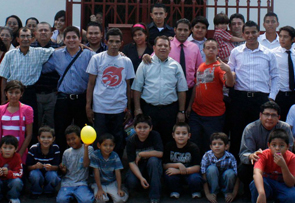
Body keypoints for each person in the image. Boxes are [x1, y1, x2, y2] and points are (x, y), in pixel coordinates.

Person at [228, 20, 279, 157]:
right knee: (237, 132)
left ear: (259, 33)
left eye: (253, 32)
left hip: (260, 99)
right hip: (240, 98)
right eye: (247, 33)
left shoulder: (268, 53)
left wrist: (271, 98)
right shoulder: (235, 52)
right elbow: (230, 72)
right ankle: (237, 167)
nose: (250, 35)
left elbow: (275, 76)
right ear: (243, 34)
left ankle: (260, 165)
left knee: (260, 133)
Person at [0, 27, 55, 137]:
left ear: (32, 39)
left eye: (28, 36)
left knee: (31, 123)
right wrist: (3, 99)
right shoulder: (10, 54)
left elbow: (58, 50)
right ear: (17, 39)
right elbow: (3, 78)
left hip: (30, 92)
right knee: (14, 121)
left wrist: (82, 46)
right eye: (22, 36)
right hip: (13, 92)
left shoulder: (39, 53)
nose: (25, 39)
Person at [86, 28, 135, 157]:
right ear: (106, 41)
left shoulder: (126, 61)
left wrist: (129, 108)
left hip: (119, 108)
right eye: (111, 41)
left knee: (118, 140)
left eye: (117, 41)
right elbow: (90, 84)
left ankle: (115, 169)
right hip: (100, 107)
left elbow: (128, 86)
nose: (114, 44)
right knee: (99, 140)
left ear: (121, 43)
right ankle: (98, 169)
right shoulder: (97, 59)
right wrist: (88, 106)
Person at [42, 26, 93, 150]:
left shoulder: (89, 54)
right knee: (61, 130)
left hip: (82, 98)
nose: (71, 40)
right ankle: (62, 162)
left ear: (80, 39)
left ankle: (84, 161)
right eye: (68, 37)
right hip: (63, 99)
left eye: (74, 37)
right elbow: (42, 67)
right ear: (64, 40)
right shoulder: (56, 54)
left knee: (84, 130)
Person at [132, 35, 188, 143]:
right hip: (148, 109)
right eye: (160, 45)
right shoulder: (145, 64)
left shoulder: (176, 66)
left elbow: (181, 90)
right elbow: (137, 88)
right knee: (148, 139)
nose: (163, 48)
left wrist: (181, 111)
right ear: (154, 48)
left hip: (169, 110)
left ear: (170, 48)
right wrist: (137, 108)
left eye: (165, 45)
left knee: (168, 140)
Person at [187, 39, 235, 151]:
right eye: (208, 48)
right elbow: (196, 86)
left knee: (211, 145)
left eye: (213, 48)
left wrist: (228, 71)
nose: (211, 50)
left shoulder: (220, 67)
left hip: (214, 115)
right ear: (203, 50)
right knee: (194, 142)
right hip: (196, 113)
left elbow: (229, 84)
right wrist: (189, 106)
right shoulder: (201, 67)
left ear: (218, 50)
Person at [237, 101, 294, 190]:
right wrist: (251, 156)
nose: (269, 118)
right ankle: (250, 191)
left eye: (273, 115)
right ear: (260, 115)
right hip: (258, 161)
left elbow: (289, 150)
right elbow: (244, 153)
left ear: (278, 117)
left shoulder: (285, 128)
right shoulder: (250, 129)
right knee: (243, 168)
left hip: (278, 161)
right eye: (266, 114)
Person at [249, 128, 295, 203]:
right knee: (255, 184)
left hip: (283, 185)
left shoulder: (292, 157)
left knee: (293, 197)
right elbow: (256, 173)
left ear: (287, 147)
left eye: (281, 145)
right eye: (274, 145)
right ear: (269, 145)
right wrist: (261, 193)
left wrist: (283, 166)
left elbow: (290, 183)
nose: (277, 148)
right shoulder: (263, 155)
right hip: (267, 183)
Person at [125, 114, 163, 203]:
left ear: (151, 128)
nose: (142, 130)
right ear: (134, 128)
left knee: (153, 160)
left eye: (145, 127)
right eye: (139, 127)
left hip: (153, 166)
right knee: (131, 181)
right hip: (139, 166)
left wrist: (142, 154)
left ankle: (155, 195)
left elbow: (160, 153)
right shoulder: (131, 140)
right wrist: (141, 178)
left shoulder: (155, 135)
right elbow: (131, 163)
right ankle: (143, 186)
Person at [0, 80, 34, 162]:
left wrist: (20, 154)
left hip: (19, 151)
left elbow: (29, 134)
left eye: (17, 92)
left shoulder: (27, 109)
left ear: (21, 94)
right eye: (11, 92)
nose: (14, 95)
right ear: (6, 93)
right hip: (3, 151)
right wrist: (0, 152)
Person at [31, 22, 60, 129]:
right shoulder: (29, 49)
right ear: (35, 33)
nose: (43, 32)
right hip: (34, 94)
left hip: (53, 94)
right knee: (34, 124)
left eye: (46, 30)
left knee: (52, 125)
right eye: (40, 30)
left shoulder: (59, 49)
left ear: (51, 33)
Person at [163, 122, 203, 199]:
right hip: (175, 173)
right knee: (169, 176)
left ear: (189, 135)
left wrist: (180, 171)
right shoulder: (169, 146)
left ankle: (195, 191)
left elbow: (197, 167)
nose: (181, 136)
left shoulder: (193, 147)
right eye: (178, 133)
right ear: (173, 135)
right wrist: (178, 165)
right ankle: (175, 191)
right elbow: (165, 165)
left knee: (196, 178)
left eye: (184, 133)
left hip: (190, 172)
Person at [57, 124, 95, 203]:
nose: (71, 141)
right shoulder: (66, 152)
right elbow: (65, 171)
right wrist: (63, 169)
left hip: (82, 183)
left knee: (87, 200)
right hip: (67, 183)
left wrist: (86, 148)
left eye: (73, 138)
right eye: (68, 139)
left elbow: (86, 165)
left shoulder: (89, 148)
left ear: (80, 137)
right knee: (61, 200)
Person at [271, 26, 295, 120]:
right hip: (278, 94)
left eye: (285, 37)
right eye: (280, 36)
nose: (282, 39)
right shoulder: (272, 54)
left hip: (292, 94)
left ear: (293, 39)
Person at [90, 133, 127, 203]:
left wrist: (119, 189)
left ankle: (123, 189)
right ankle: (103, 193)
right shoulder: (95, 155)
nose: (108, 148)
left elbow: (117, 172)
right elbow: (96, 172)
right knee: (100, 199)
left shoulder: (115, 156)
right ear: (99, 145)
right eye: (105, 145)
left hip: (111, 182)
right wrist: (100, 189)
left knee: (119, 199)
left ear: (114, 146)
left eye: (111, 145)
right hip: (99, 183)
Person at [201, 132, 238, 203]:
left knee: (230, 173)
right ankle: (214, 192)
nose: (217, 146)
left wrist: (234, 193)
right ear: (211, 147)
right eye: (214, 144)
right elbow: (203, 174)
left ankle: (227, 192)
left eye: (220, 144)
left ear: (226, 146)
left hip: (225, 180)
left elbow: (237, 175)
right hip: (212, 182)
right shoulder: (207, 156)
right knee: (211, 169)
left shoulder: (230, 157)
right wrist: (207, 194)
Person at [0, 135, 24, 203]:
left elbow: (19, 173)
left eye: (10, 148)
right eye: (5, 147)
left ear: (16, 149)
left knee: (17, 181)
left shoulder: (17, 157)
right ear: (0, 148)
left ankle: (13, 197)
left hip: (10, 181)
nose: (7, 150)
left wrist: (9, 173)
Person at [170, 18, 204, 93]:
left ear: (190, 31)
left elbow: (199, 69)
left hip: (189, 89)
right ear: (175, 30)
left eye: (185, 30)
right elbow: (153, 59)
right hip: (170, 89)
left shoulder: (194, 47)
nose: (182, 33)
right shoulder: (167, 45)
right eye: (180, 29)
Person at [27, 126, 61, 199]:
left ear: (53, 139)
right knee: (34, 174)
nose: (46, 140)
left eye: (49, 137)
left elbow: (57, 166)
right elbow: (28, 167)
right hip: (37, 171)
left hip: (49, 172)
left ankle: (49, 190)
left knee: (53, 175)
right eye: (43, 137)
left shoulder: (56, 148)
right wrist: (35, 166)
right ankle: (36, 191)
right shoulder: (33, 149)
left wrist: (51, 167)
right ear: (38, 138)